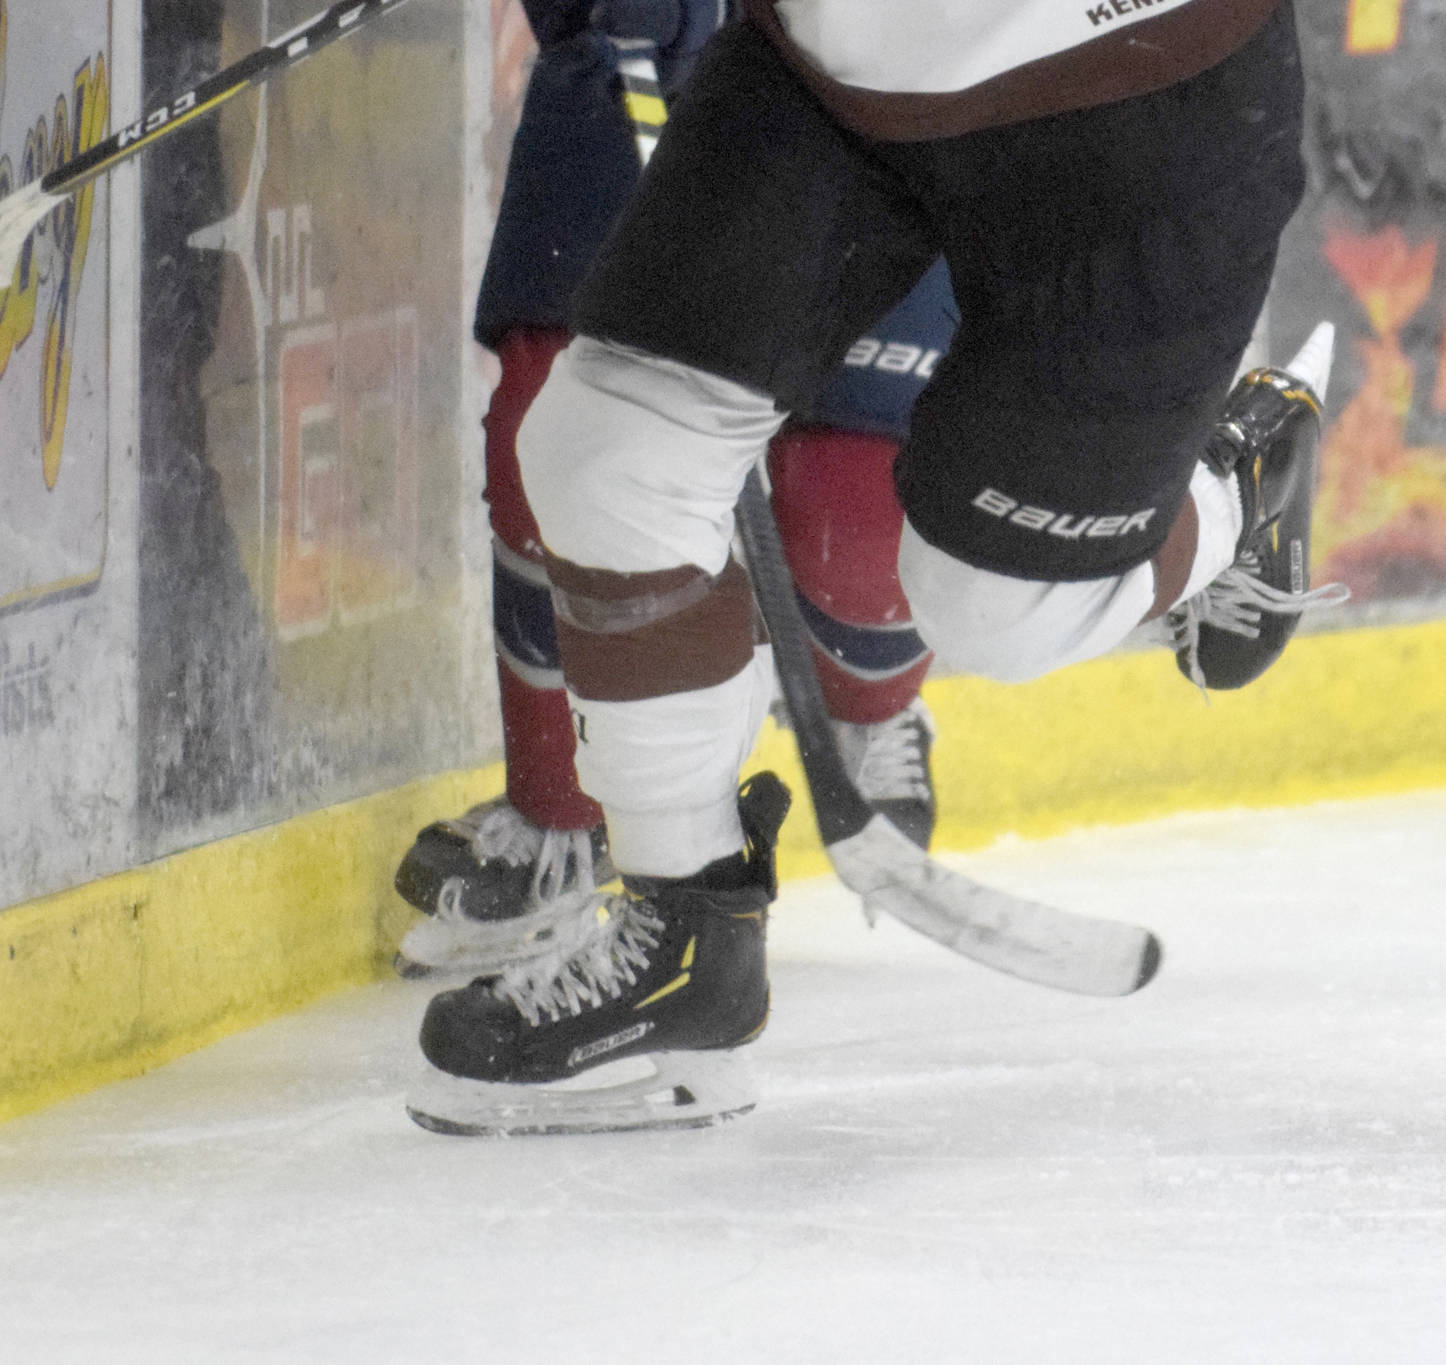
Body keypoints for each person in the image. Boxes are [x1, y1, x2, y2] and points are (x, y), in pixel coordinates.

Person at [409, 0, 1349, 1134]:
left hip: (1136, 113)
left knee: (993, 613)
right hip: (834, 80)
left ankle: (1229, 495)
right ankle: (685, 943)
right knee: (610, 449)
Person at [392, 0, 956, 981]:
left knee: (858, 542)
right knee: (561, 436)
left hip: (883, 66)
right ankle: (558, 819)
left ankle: (866, 699)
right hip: (643, 43)